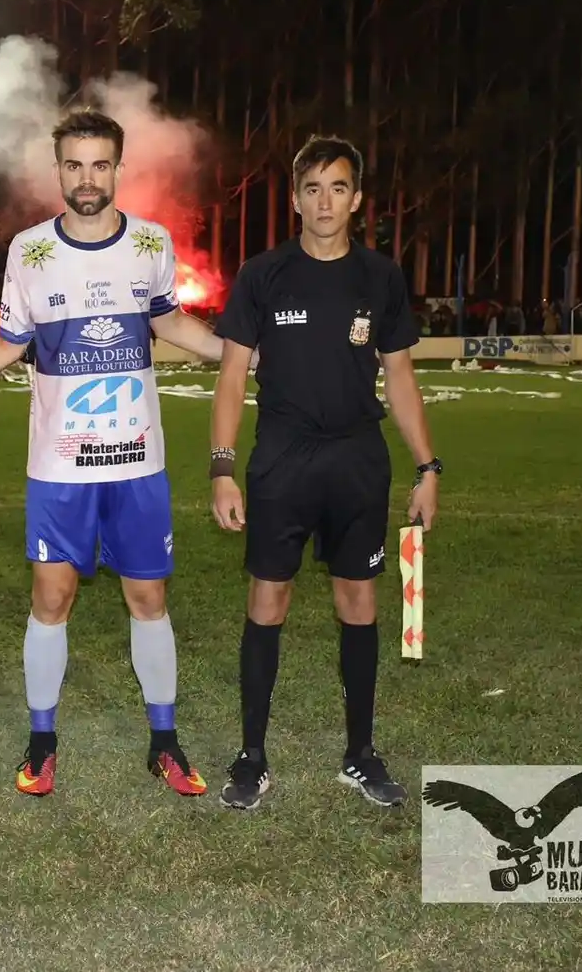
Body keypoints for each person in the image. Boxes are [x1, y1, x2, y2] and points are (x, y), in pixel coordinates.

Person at [0, 109, 226, 797]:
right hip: (59, 467)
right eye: (74, 165)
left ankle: (164, 740)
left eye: (100, 164)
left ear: (118, 170)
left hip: (137, 460)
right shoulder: (29, 250)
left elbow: (168, 321)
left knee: (148, 595)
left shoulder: (151, 244)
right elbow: (10, 341)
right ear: (59, 171)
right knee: (52, 596)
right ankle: (41, 741)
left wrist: (240, 353)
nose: (87, 179)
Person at [209, 135, 440, 811]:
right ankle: (252, 756)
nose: (325, 201)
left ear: (357, 198)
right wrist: (223, 468)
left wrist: (427, 467)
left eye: (338, 188)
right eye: (312, 188)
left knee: (358, 601)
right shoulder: (262, 274)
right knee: (267, 601)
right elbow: (229, 378)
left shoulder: (380, 277)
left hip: (356, 459)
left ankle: (360, 754)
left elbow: (399, 376)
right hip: (282, 457)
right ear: (294, 198)